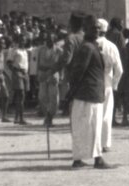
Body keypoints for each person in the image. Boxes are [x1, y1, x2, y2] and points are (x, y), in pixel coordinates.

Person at [64, 14, 114, 169]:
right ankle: (95, 159)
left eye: (98, 29)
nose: (97, 31)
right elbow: (78, 72)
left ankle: (81, 158)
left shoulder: (91, 46)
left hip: (90, 93)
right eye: (93, 29)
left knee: (88, 127)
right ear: (85, 29)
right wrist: (71, 94)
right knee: (90, 127)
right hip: (87, 95)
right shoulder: (87, 48)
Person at [96, 19, 124, 151]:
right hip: (106, 81)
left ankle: (93, 142)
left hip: (92, 81)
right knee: (106, 113)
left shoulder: (89, 44)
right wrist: (115, 85)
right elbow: (119, 69)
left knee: (93, 113)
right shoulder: (111, 46)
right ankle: (105, 143)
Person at [36, 32, 64, 127]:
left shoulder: (59, 50)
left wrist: (61, 76)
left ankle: (50, 117)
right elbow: (38, 63)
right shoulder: (40, 50)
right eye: (48, 39)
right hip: (43, 74)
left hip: (53, 75)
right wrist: (37, 74)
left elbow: (61, 64)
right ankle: (46, 115)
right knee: (42, 96)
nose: (50, 41)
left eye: (52, 40)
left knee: (54, 97)